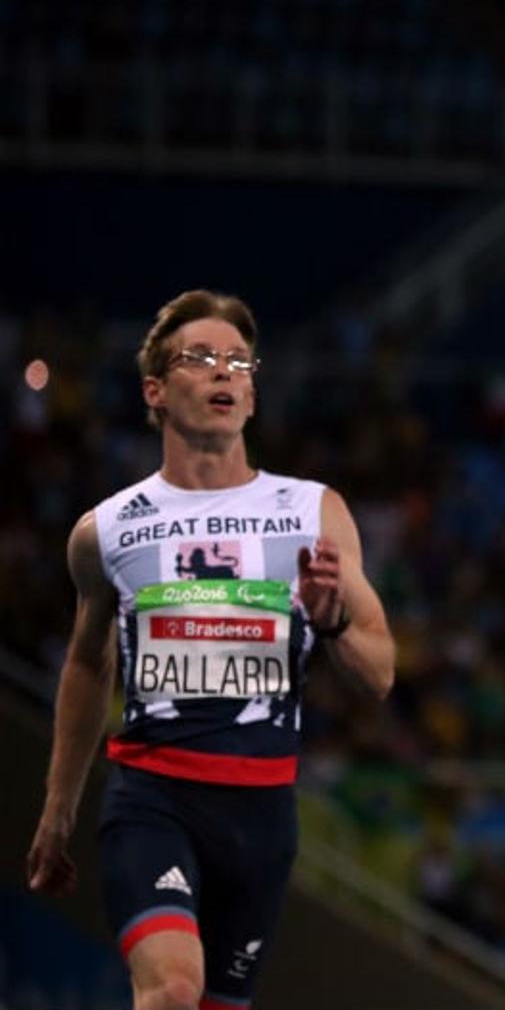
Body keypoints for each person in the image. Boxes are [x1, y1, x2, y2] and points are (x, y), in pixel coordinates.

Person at [25, 290, 395, 1010]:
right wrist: (57, 811)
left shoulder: (312, 511)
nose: (224, 371)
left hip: (262, 821)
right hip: (153, 800)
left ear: (252, 394)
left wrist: (335, 619)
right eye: (200, 358)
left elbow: (379, 675)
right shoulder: (103, 532)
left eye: (238, 361)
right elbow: (86, 663)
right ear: (156, 392)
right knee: (172, 988)